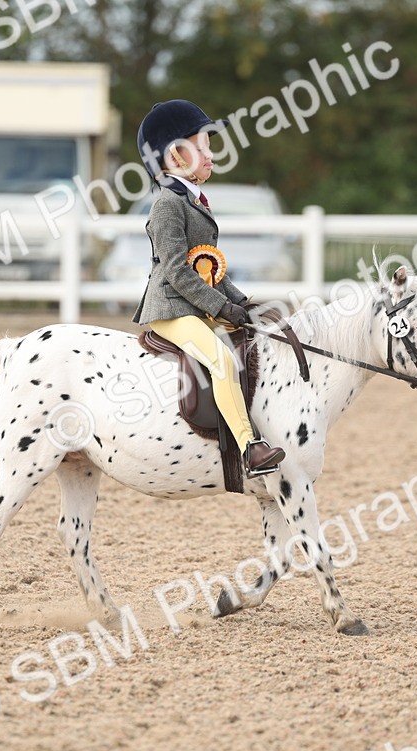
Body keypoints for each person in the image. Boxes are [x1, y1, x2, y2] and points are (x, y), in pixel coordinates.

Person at [132, 100, 285, 476]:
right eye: (202, 147)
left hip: (193, 302)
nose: (210, 155)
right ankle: (249, 448)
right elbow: (179, 271)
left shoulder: (192, 199)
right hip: (169, 308)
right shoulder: (167, 204)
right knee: (221, 359)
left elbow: (210, 266)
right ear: (176, 155)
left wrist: (242, 304)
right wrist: (219, 308)